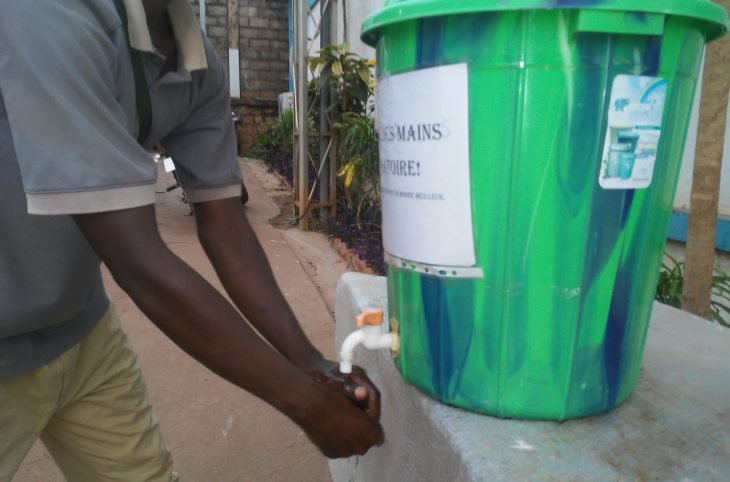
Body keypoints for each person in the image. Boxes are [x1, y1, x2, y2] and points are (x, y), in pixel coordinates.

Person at [0, 0, 383, 480]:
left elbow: (224, 223)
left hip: (81, 325)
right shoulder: (49, 14)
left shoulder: (194, 56)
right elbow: (138, 261)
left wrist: (309, 364)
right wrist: (304, 403)